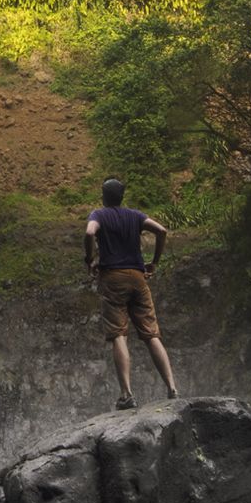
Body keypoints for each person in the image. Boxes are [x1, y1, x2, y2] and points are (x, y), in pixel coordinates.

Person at [84, 176, 178, 410]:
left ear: (104, 196)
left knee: (119, 334)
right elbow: (162, 231)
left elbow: (89, 233)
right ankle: (172, 388)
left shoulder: (99, 215)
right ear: (122, 197)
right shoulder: (135, 215)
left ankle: (127, 394)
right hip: (138, 278)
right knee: (151, 335)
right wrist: (154, 261)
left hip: (113, 279)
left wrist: (90, 259)